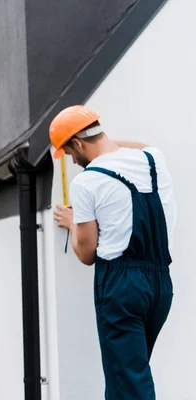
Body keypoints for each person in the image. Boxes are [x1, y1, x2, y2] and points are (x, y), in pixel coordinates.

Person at [50, 105, 176, 400]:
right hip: (160, 286)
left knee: (128, 384)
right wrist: (102, 143)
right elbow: (140, 147)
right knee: (131, 374)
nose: (71, 159)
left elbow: (87, 253)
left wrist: (74, 224)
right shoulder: (153, 160)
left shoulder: (86, 182)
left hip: (122, 287)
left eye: (69, 152)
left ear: (77, 144)